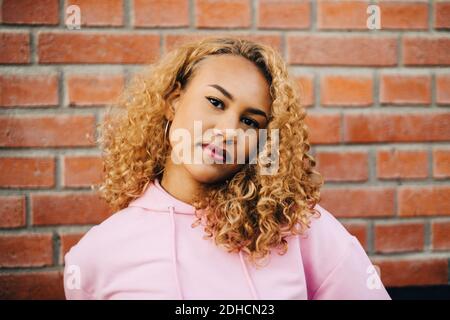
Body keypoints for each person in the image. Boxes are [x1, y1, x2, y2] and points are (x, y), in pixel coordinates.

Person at [63, 37, 391, 300]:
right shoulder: (95, 256)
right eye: (216, 103)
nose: (229, 130)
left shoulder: (301, 229)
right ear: (173, 100)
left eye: (249, 121)